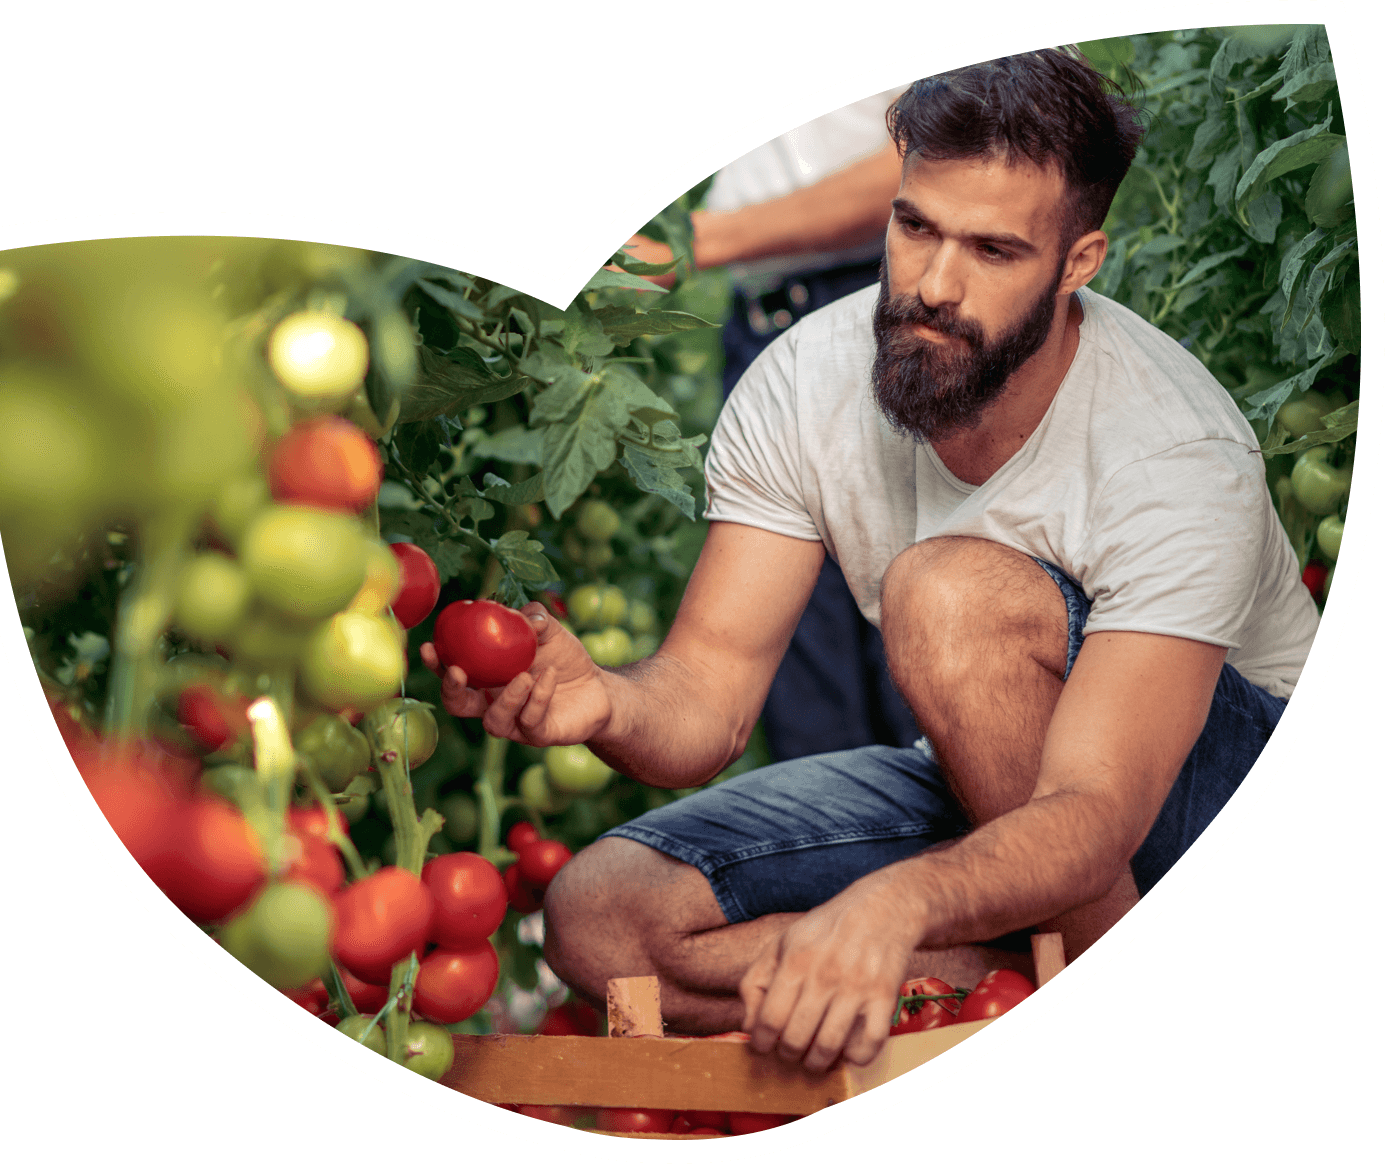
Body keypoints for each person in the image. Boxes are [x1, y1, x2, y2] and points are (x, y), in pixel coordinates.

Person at [425, 48, 1319, 1073]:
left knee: (944, 593)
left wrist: (896, 903)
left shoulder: (1167, 446)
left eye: (992, 251)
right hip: (1000, 787)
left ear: (1079, 263)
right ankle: (996, 977)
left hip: (1216, 802)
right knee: (603, 919)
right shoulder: (805, 378)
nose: (933, 285)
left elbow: (1100, 811)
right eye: (915, 227)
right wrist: (608, 706)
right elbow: (708, 692)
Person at [623, 90, 920, 762]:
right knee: (811, 698)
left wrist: (690, 243)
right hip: (768, 321)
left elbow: (945, 159)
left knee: (920, 674)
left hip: (874, 308)